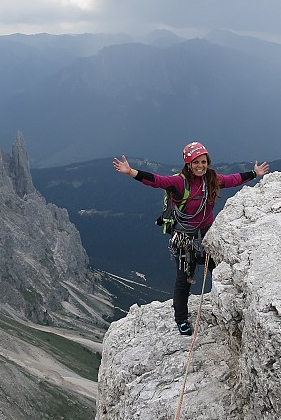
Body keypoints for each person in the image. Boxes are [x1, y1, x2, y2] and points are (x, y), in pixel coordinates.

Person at [113, 142, 269, 335]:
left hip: (207, 236)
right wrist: (130, 172)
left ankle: (230, 309)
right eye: (195, 162)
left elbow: (233, 179)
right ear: (188, 164)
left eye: (203, 162)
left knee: (219, 272)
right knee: (184, 279)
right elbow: (157, 180)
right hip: (185, 239)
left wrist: (254, 174)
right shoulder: (180, 182)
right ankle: (181, 320)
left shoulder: (212, 179)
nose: (200, 166)